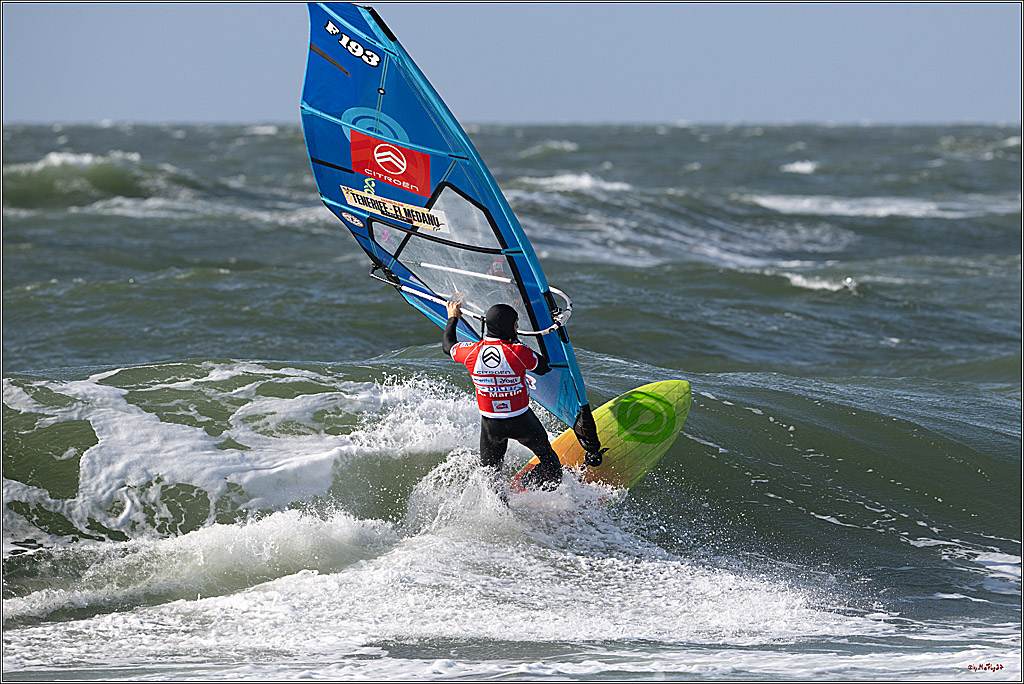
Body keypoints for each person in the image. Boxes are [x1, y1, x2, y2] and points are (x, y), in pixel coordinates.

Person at [442, 300, 563, 491]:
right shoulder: (518, 352)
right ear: (508, 327)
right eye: (515, 324)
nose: (517, 328)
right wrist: (517, 342)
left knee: (492, 478)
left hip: (491, 425)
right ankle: (538, 486)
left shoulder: (471, 352)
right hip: (521, 420)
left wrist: (452, 318)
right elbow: (542, 367)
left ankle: (502, 511)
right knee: (551, 462)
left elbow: (448, 345)